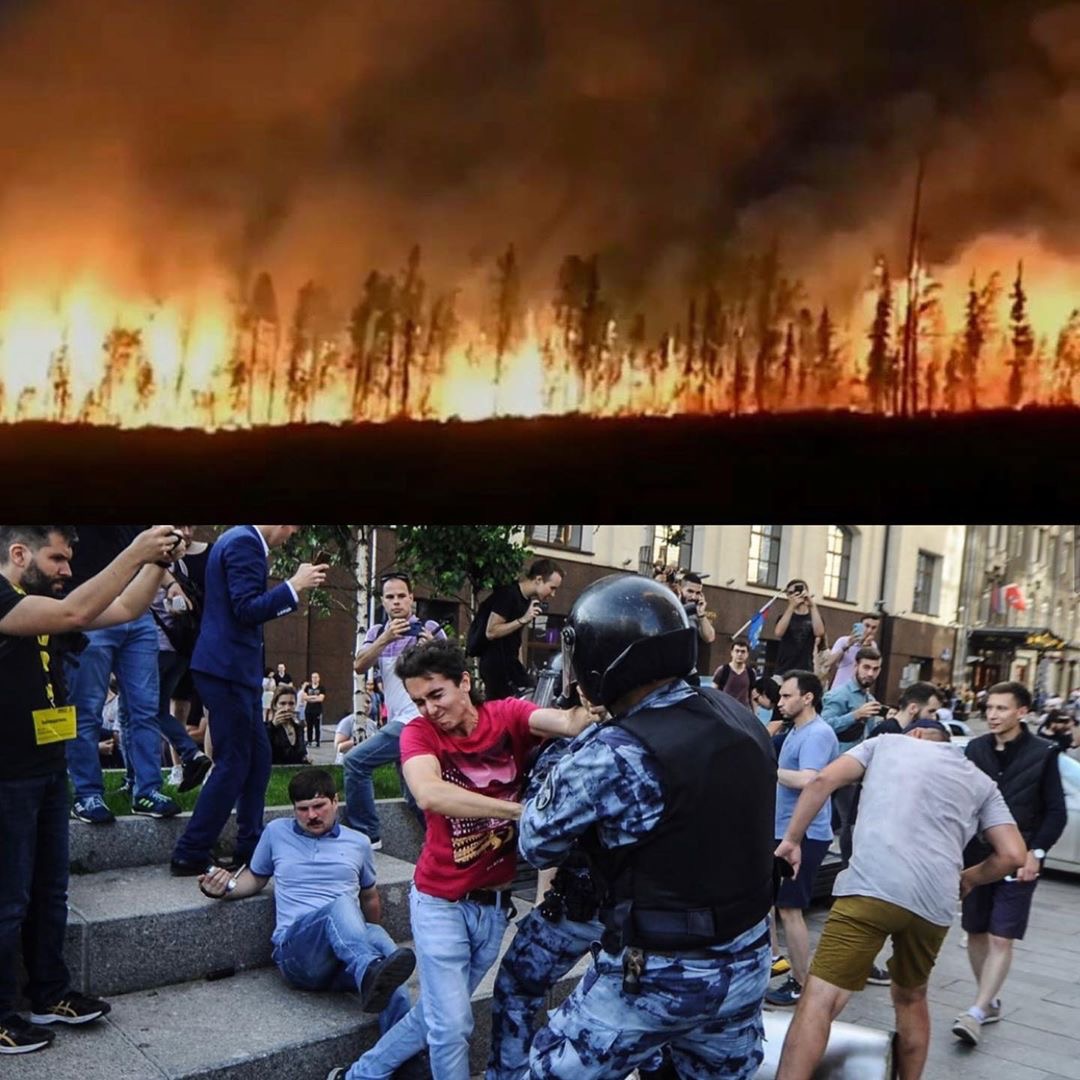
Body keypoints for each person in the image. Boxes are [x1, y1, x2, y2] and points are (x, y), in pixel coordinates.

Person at [517, 574, 778, 1079]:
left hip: (656, 975)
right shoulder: (738, 716)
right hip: (745, 962)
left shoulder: (615, 751)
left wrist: (565, 755)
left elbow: (537, 843)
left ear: (600, 662)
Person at [332, 639, 596, 1080]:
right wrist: (520, 812)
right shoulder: (419, 733)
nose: (429, 709)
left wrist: (597, 698)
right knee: (452, 1026)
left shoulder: (507, 715)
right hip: (440, 903)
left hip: (493, 912)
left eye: (436, 694)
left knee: (436, 1015)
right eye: (419, 701)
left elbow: (569, 721)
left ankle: (359, 1075)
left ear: (465, 683)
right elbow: (429, 793)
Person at [0, 524, 181, 1054]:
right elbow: (77, 614)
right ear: (19, 554)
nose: (67, 570)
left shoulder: (47, 604)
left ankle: (48, 994)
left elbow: (124, 609)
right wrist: (135, 551)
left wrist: (158, 563)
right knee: (8, 900)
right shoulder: (5, 599)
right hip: (7, 776)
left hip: (47, 769)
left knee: (49, 891)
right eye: (57, 559)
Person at [772, 722, 1027, 1080]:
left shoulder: (884, 743)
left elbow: (821, 781)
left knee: (820, 997)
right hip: (934, 901)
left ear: (917, 734)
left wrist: (792, 839)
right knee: (911, 997)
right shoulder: (981, 781)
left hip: (871, 887)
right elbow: (1013, 855)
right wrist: (969, 878)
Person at [197, 768, 416, 1038]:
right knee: (340, 906)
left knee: (390, 969)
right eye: (302, 809)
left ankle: (401, 1052)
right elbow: (255, 878)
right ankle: (368, 967)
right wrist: (222, 889)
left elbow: (369, 897)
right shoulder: (276, 832)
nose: (311, 815)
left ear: (335, 801)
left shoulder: (359, 842)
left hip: (342, 956)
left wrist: (370, 935)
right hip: (298, 954)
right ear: (294, 809)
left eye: (319, 806)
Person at [170, 526, 327, 876]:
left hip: (232, 670)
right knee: (235, 761)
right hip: (227, 670)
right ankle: (190, 851)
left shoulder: (235, 539)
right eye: (293, 526)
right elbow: (246, 609)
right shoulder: (244, 542)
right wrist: (294, 585)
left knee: (257, 758)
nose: (293, 533)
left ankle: (250, 846)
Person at [952, 681, 1067, 1047]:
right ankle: (988, 999)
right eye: (989, 707)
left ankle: (976, 1011)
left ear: (1022, 712)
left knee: (1002, 935)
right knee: (975, 930)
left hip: (1019, 859)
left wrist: (1037, 852)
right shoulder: (975, 749)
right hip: (977, 857)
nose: (992, 715)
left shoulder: (1044, 752)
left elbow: (1056, 812)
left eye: (1001, 708)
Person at [64, 527, 186, 824]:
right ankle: (87, 794)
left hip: (137, 610)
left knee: (145, 708)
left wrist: (171, 581)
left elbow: (147, 547)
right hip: (89, 604)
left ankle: (147, 790)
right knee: (86, 710)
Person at [344, 572, 447, 848]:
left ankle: (368, 834)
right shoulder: (377, 632)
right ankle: (446, 844)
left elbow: (452, 670)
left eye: (402, 596)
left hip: (419, 720)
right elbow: (359, 666)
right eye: (390, 597)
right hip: (399, 720)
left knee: (355, 761)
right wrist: (385, 639)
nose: (397, 602)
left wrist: (431, 649)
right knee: (413, 795)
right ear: (383, 601)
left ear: (412, 598)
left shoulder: (430, 627)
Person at [766, 671, 839, 1008]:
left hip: (805, 834)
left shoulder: (818, 734)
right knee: (774, 903)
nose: (779, 702)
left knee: (790, 908)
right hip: (785, 830)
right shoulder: (796, 731)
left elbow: (810, 780)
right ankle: (777, 963)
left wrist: (768, 770)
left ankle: (801, 983)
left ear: (807, 698)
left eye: (786, 696)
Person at [820, 647, 883, 866]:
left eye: (875, 669)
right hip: (838, 768)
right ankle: (848, 866)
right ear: (855, 666)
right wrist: (855, 715)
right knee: (850, 822)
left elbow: (869, 736)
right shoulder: (839, 695)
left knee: (846, 821)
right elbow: (823, 726)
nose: (870, 673)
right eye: (866, 667)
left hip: (860, 771)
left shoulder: (870, 698)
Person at [476, 558, 564, 700]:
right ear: (538, 579)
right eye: (552, 588)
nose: (552, 594)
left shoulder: (526, 601)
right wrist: (523, 619)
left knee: (531, 696)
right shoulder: (508, 594)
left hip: (511, 665)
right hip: (496, 666)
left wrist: (520, 665)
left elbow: (516, 638)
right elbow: (491, 631)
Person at [773, 579, 825, 675]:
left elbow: (819, 632)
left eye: (799, 591)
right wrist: (791, 606)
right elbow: (778, 632)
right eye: (791, 593)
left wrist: (812, 606)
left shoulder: (814, 617)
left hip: (805, 670)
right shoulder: (784, 617)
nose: (795, 595)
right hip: (783, 669)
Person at [676, 571, 716, 681]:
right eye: (690, 591)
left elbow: (709, 637)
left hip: (689, 674)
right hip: (668, 674)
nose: (693, 596)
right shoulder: (670, 606)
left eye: (698, 593)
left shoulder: (697, 615)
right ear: (680, 589)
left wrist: (701, 615)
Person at [825, 614, 881, 691]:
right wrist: (847, 646)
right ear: (860, 625)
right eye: (867, 626)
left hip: (860, 690)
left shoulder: (873, 646)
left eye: (874, 628)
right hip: (840, 688)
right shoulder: (843, 640)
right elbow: (829, 662)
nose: (869, 631)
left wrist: (865, 647)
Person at [867, 681, 943, 737]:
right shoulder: (887, 732)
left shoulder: (909, 731)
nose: (934, 717)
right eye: (931, 711)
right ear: (913, 708)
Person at [266, 684, 310, 765]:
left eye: (291, 704)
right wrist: (272, 726)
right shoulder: (266, 728)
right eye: (282, 704)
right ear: (275, 705)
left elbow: (302, 754)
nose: (287, 708)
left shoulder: (298, 728)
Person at [714, 636, 753, 707]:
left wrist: (754, 712)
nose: (739, 654)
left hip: (743, 710)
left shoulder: (751, 672)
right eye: (737, 651)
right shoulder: (722, 670)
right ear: (732, 652)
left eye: (743, 651)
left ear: (747, 654)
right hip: (726, 709)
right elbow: (713, 693)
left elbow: (752, 696)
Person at [301, 671, 326, 748]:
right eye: (313, 677)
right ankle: (309, 741)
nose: (314, 679)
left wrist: (310, 698)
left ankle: (317, 741)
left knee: (317, 726)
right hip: (308, 710)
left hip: (317, 710)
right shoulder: (307, 687)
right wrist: (314, 697)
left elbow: (321, 699)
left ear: (318, 678)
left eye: (316, 677)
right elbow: (304, 697)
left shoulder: (321, 688)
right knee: (309, 726)